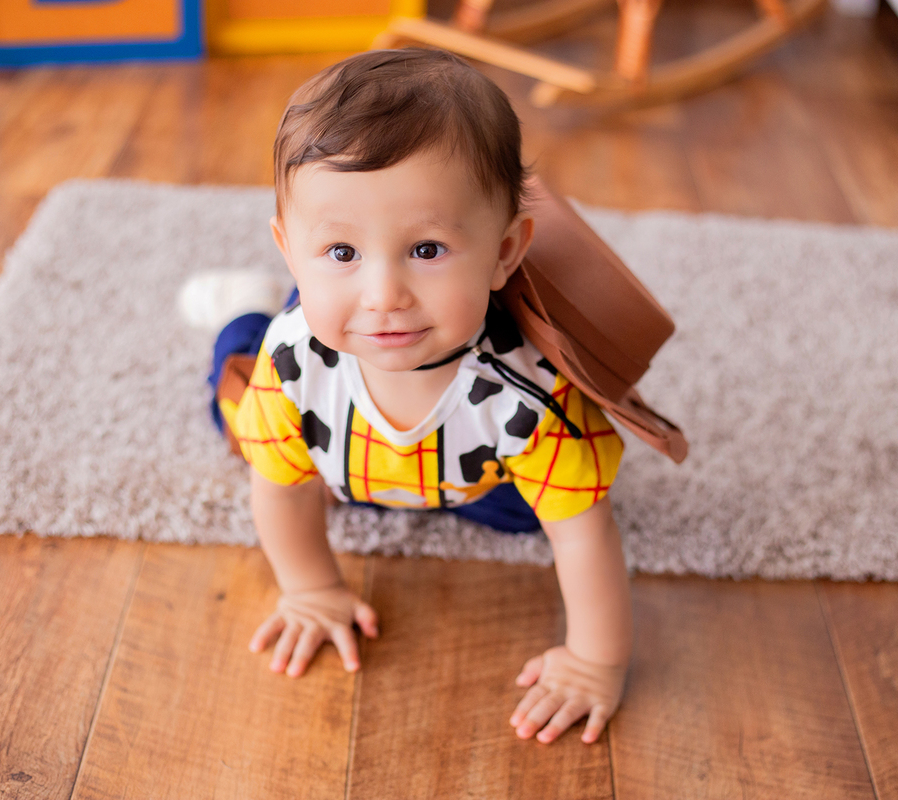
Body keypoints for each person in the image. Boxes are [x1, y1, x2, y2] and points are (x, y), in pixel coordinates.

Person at [197, 48, 633, 746]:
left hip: (463, 465)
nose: (384, 297)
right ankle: (240, 314)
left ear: (504, 252)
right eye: (341, 252)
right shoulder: (291, 365)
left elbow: (585, 530)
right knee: (236, 421)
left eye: (426, 250)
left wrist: (594, 660)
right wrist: (310, 588)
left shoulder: (529, 401)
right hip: (330, 423)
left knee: (536, 512)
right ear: (291, 248)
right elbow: (277, 491)